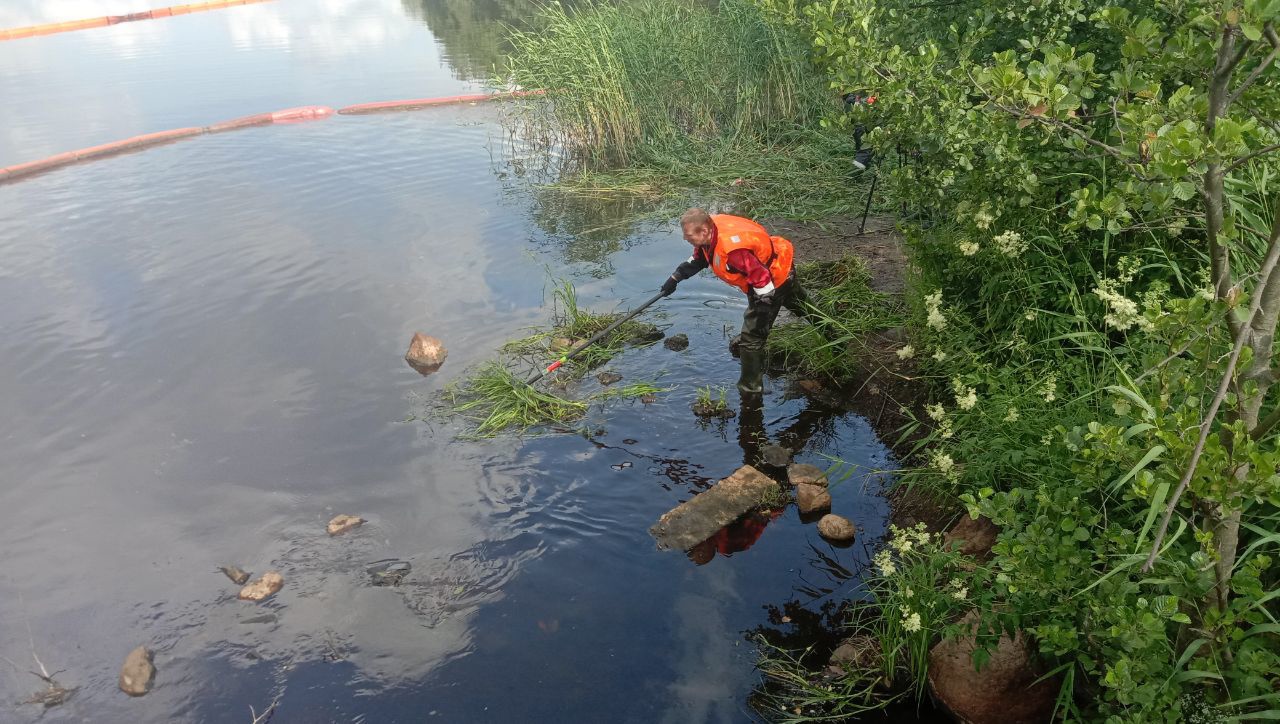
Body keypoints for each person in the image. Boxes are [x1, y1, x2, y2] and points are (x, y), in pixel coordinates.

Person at [659, 208, 821, 393]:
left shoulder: (734, 251)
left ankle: (750, 388)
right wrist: (675, 278)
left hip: (773, 281)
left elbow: (762, 280)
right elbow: (700, 258)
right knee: (802, 305)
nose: (685, 238)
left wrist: (761, 312)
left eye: (688, 235)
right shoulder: (710, 232)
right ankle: (835, 335)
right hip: (782, 267)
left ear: (704, 231)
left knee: (752, 338)